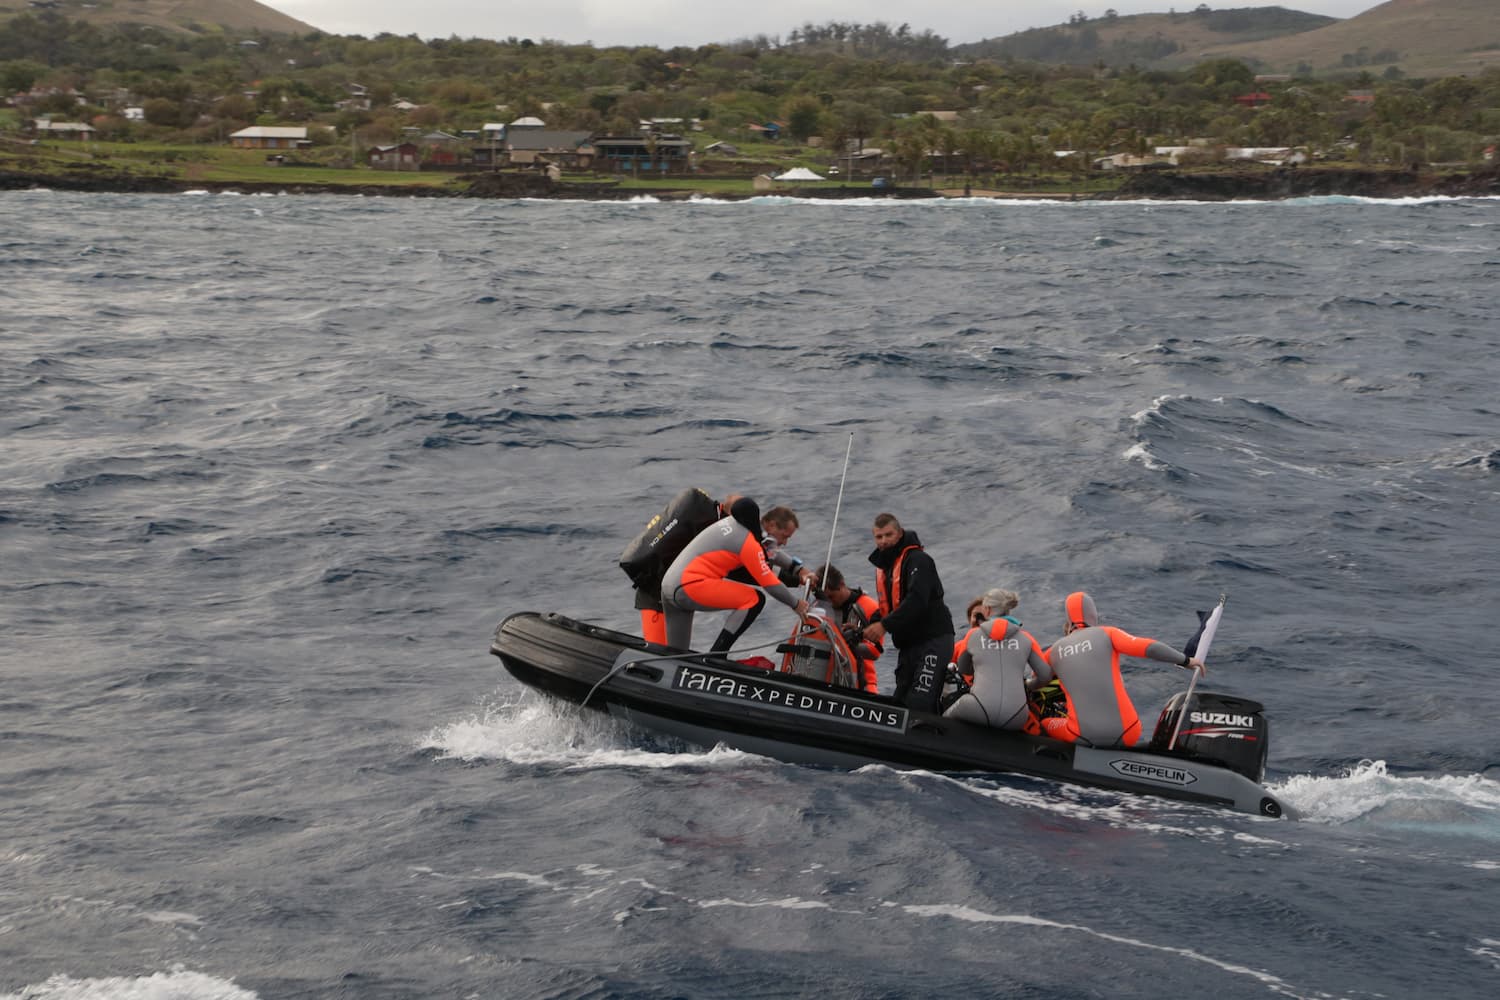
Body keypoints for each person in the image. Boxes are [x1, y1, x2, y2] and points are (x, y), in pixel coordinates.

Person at [1041, 591, 1204, 747]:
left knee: (1044, 722)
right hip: (1128, 733)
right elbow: (1151, 648)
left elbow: (1037, 680)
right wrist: (1186, 660)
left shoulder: (1054, 651)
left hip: (1082, 736)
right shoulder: (1108, 634)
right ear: (1094, 615)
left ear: (1068, 621)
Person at [661, 498, 813, 652]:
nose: (785, 543)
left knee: (676, 655)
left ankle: (694, 660)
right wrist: (796, 604)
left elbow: (770, 551)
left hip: (669, 584)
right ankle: (717, 655)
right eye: (785, 536)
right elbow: (770, 584)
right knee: (754, 600)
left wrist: (798, 569)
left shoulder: (736, 524)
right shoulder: (748, 542)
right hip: (689, 586)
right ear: (772, 525)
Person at [619, 488, 740, 644]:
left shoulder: (706, 518)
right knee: (661, 654)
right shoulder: (716, 531)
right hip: (656, 597)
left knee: (670, 653)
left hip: (668, 595)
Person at [860, 513, 954, 713]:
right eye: (879, 537)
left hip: (933, 640)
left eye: (888, 535)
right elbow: (887, 609)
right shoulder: (887, 569)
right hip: (909, 645)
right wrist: (863, 628)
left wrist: (883, 626)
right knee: (900, 700)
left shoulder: (919, 560)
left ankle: (929, 729)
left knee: (920, 700)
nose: (884, 541)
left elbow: (917, 600)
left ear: (900, 533)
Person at [944, 611, 1053, 733]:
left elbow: (962, 668)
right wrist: (1028, 685)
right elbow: (1045, 676)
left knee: (943, 717)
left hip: (977, 706)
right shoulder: (1026, 638)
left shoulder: (972, 636)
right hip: (1017, 716)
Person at [811, 564, 883, 693]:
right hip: (824, 679)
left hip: (861, 683)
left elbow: (875, 652)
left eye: (831, 597)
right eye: (826, 599)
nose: (830, 603)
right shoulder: (818, 608)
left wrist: (850, 641)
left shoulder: (870, 607)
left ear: (842, 585)